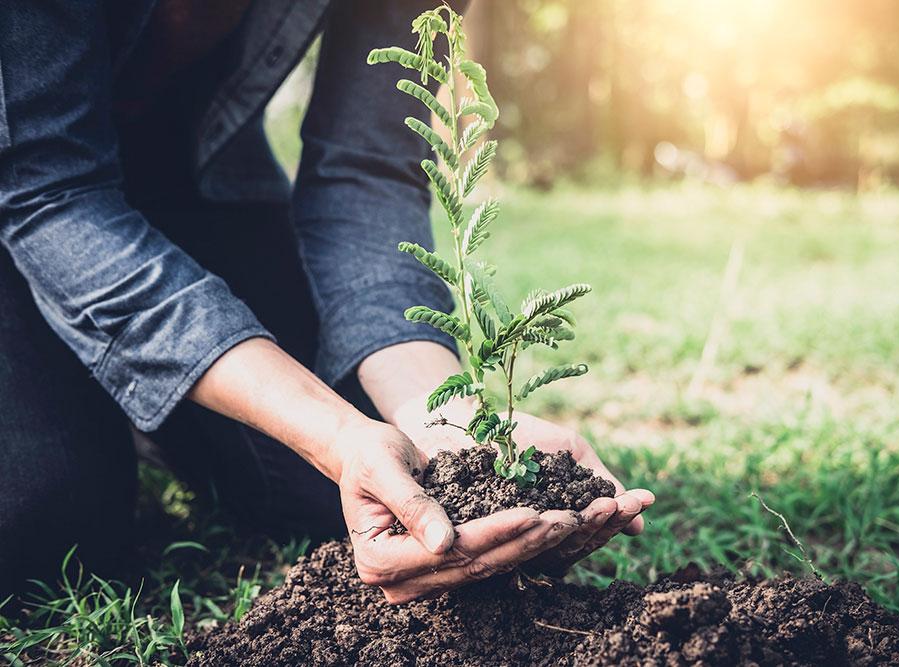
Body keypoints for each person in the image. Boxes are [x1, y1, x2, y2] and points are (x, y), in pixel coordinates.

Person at [0, 0, 653, 601]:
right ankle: (118, 388)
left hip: (194, 185)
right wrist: (336, 432)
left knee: (383, 485)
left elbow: (364, 172)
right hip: (32, 194)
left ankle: (163, 398)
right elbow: (50, 191)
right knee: (44, 517)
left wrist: (446, 422)